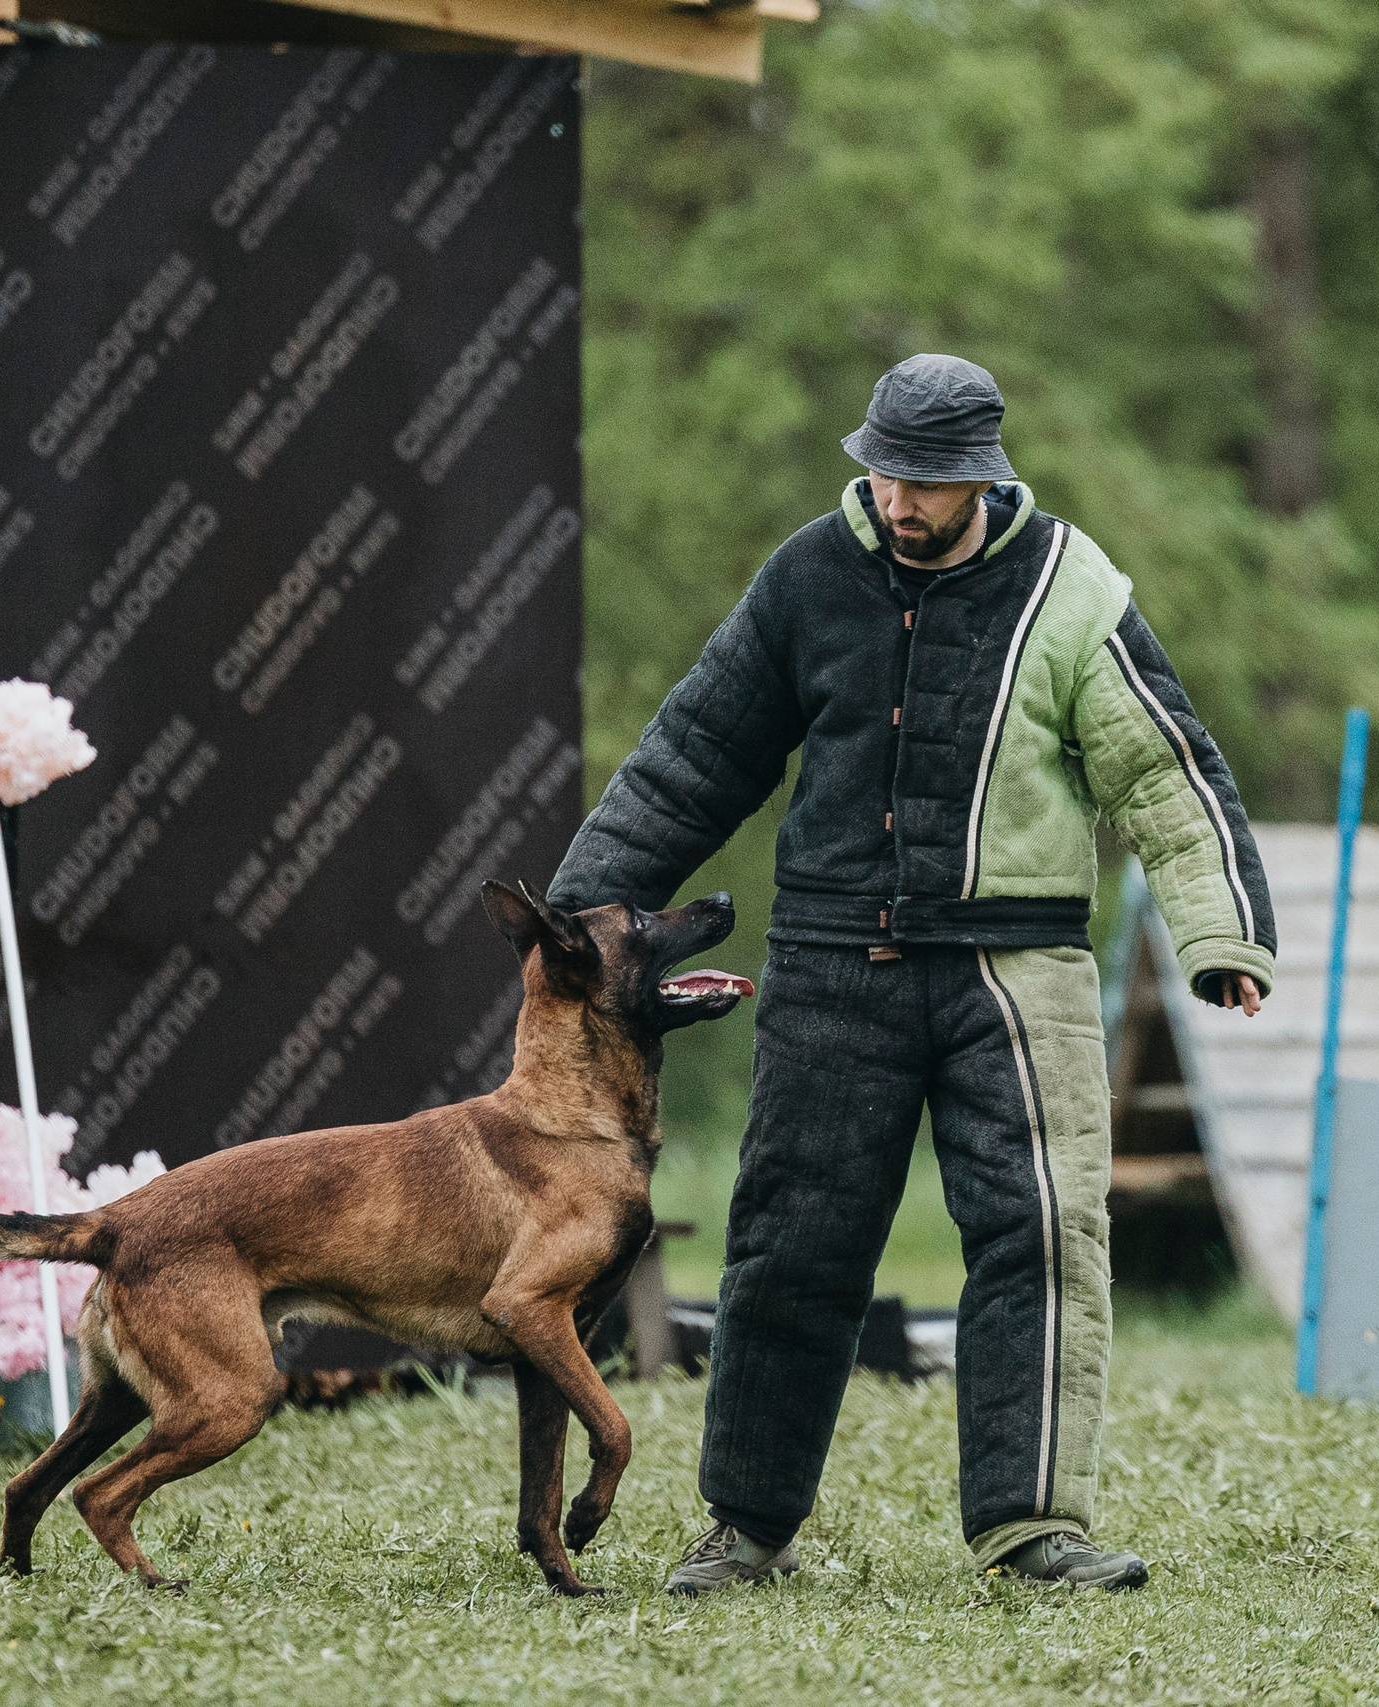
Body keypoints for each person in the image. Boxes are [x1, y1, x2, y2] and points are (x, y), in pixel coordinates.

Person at [548, 353, 1276, 1594]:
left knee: (1041, 1232)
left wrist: (1221, 939)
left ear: (982, 479)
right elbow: (696, 754)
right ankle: (749, 1528)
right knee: (789, 1246)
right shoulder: (804, 579)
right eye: (884, 471)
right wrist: (577, 914)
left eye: (927, 482)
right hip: (834, 963)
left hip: (1016, 968)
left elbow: (1167, 773)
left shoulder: (1069, 590)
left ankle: (1030, 1528)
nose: (900, 500)